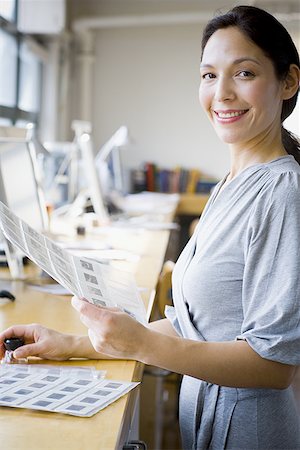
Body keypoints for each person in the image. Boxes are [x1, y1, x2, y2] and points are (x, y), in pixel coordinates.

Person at [1, 5, 300, 449]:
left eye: (244, 73)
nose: (222, 93)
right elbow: (194, 326)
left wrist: (140, 344)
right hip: (207, 424)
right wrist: (72, 342)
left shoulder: (282, 192)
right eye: (209, 75)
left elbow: (273, 367)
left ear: (289, 81)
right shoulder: (233, 183)